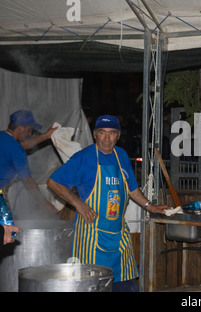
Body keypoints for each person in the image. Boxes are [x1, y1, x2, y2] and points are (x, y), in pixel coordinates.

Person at [47, 115, 167, 292]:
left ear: (118, 135)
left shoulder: (122, 156)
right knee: (92, 286)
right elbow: (53, 182)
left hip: (118, 237)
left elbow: (131, 188)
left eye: (111, 133)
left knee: (128, 287)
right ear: (95, 134)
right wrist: (78, 204)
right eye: (102, 133)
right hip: (91, 238)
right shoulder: (84, 158)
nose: (106, 138)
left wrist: (150, 206)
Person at [0, 110, 58, 240]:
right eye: (29, 130)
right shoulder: (16, 149)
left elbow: (20, 146)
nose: (30, 133)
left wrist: (46, 136)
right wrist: (45, 203)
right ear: (21, 128)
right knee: (7, 233)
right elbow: (29, 182)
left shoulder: (3, 137)